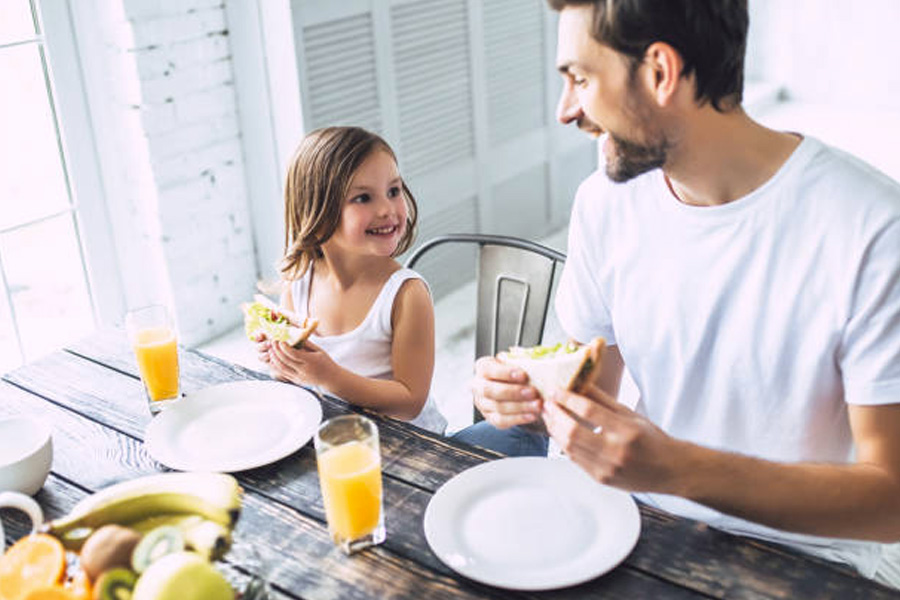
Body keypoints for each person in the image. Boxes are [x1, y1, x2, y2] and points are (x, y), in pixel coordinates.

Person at [466, 0, 900, 587]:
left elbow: (889, 501)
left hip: (813, 559)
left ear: (660, 73)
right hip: (641, 522)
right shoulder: (603, 204)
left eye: (581, 78)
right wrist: (532, 399)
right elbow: (593, 391)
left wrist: (678, 470)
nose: (567, 110)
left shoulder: (874, 228)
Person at [257, 126, 447, 434]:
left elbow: (411, 400)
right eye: (363, 198)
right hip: (341, 436)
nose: (387, 209)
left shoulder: (406, 295)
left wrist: (329, 375)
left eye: (393, 191)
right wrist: (282, 361)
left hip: (412, 447)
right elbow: (296, 382)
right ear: (316, 213)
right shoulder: (299, 283)